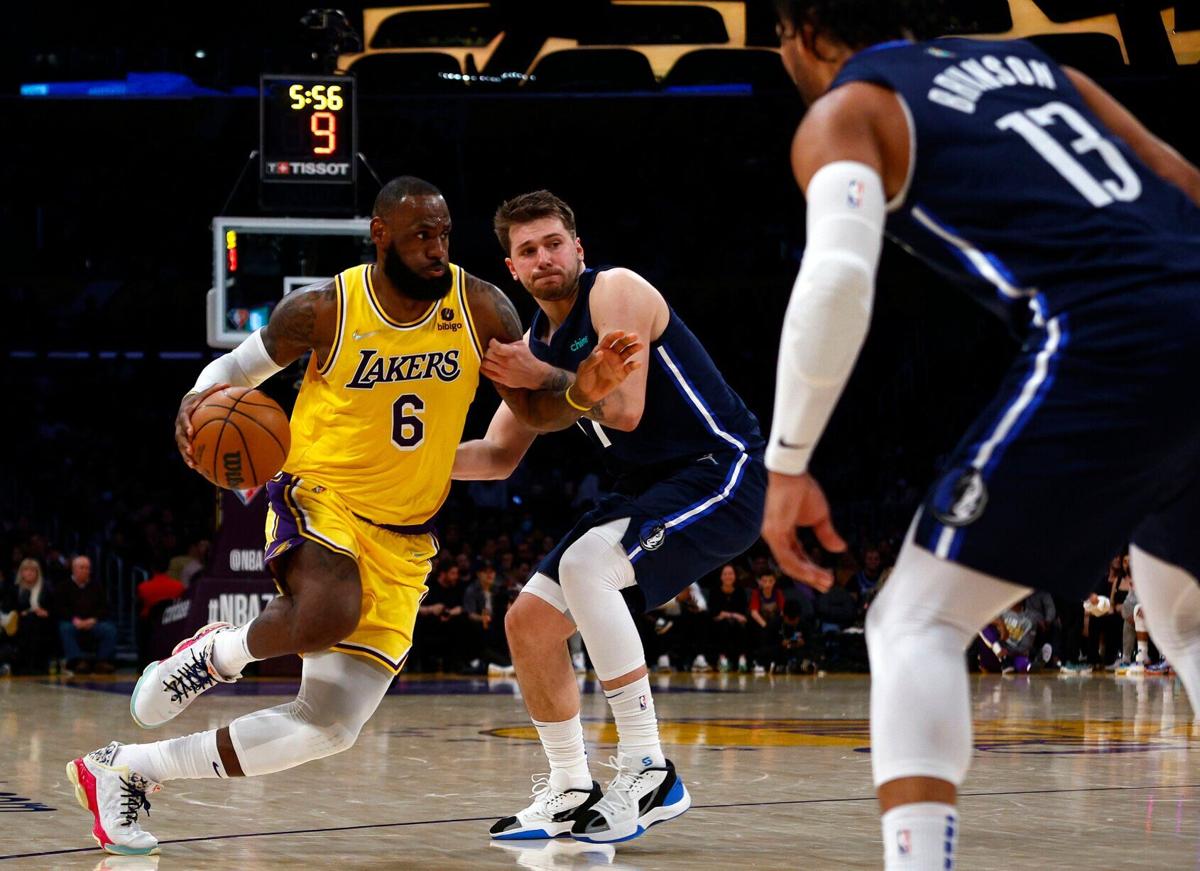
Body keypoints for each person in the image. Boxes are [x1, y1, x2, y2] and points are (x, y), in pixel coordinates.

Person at [66, 176, 641, 856]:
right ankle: (218, 653)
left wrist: (581, 392)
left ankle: (125, 768)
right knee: (329, 610)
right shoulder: (324, 308)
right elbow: (234, 369)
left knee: (329, 726)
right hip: (321, 495)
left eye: (444, 234)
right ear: (381, 236)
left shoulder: (481, 307)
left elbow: (532, 411)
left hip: (405, 536)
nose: (436, 248)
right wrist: (193, 406)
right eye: (421, 235)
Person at [763, 3, 1200, 868]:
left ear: (809, 31)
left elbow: (840, 283)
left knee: (914, 621)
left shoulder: (849, 110)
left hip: (1112, 332)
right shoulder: (1043, 69)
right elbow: (1185, 180)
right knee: (1183, 608)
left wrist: (788, 460)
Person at [453, 190, 766, 843]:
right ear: (512, 268)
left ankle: (649, 768)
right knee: (529, 621)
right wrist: (390, 462)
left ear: (578, 248)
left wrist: (536, 373)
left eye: (553, 243)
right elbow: (494, 456)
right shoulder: (533, 341)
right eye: (527, 250)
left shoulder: (616, 291)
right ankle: (570, 787)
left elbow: (622, 409)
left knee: (585, 564)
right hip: (646, 490)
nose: (544, 258)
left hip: (721, 471)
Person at [56, 555, 117, 675]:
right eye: (82, 568)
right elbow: (60, 608)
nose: (86, 571)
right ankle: (77, 661)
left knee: (109, 629)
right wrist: (74, 620)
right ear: (73, 569)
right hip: (73, 622)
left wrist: (93, 620)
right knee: (65, 628)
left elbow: (105, 608)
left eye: (88, 568)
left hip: (93, 622)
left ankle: (102, 661)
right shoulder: (63, 587)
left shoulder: (97, 586)